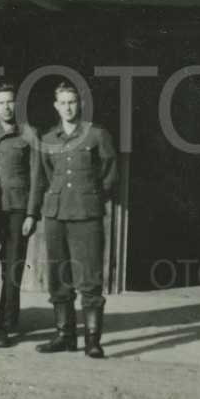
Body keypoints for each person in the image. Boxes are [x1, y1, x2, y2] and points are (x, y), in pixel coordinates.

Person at [34, 82, 118, 358]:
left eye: (72, 102)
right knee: (59, 277)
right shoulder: (48, 139)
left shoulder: (96, 135)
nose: (68, 107)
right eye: (63, 103)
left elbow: (110, 174)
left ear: (79, 104)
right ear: (56, 106)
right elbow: (47, 175)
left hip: (86, 215)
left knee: (90, 278)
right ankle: (65, 336)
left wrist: (92, 198)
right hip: (56, 215)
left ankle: (92, 340)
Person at [0, 81, 42, 346]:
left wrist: (32, 214)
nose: (6, 107)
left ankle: (6, 324)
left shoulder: (29, 133)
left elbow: (37, 176)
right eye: (1, 102)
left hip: (17, 208)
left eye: (10, 101)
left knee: (12, 268)